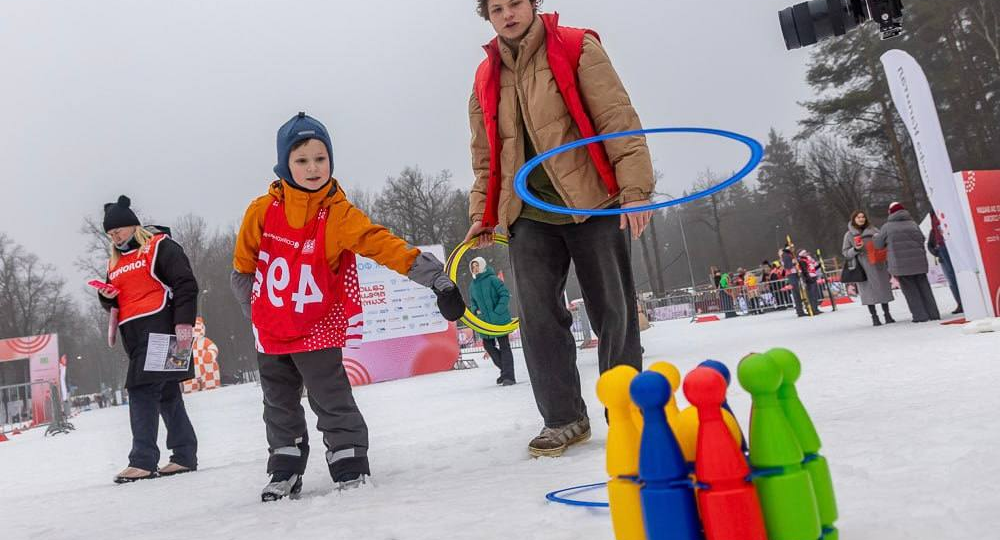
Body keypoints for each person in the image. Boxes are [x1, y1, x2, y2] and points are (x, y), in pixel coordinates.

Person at [230, 112, 465, 501]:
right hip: (271, 330)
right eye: (301, 160)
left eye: (320, 159)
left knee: (330, 396)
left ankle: (349, 460)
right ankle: (285, 466)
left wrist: (434, 277)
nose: (312, 168)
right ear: (284, 164)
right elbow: (242, 268)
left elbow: (383, 244)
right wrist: (254, 314)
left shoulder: (338, 214)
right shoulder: (261, 210)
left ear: (331, 162)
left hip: (317, 326)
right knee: (278, 402)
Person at [464, 0, 654, 457]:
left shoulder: (575, 47)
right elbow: (485, 157)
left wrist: (635, 190)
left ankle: (625, 410)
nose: (507, 14)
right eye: (496, 9)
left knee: (614, 311)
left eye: (514, 4)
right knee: (538, 320)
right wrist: (482, 214)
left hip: (593, 203)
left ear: (533, 4)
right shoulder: (486, 77)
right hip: (529, 216)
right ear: (487, 16)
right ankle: (563, 419)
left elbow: (617, 119)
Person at [97, 195, 199, 484]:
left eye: (118, 229)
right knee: (166, 393)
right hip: (135, 335)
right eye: (110, 232)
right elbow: (118, 300)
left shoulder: (160, 246)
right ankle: (184, 454)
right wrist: (106, 298)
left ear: (133, 226)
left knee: (141, 390)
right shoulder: (114, 262)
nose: (114, 235)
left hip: (163, 328)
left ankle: (142, 460)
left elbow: (186, 284)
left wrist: (184, 324)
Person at [874, 202, 941, 322]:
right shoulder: (913, 224)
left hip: (901, 265)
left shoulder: (887, 227)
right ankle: (933, 314)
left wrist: (876, 237)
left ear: (890, 212)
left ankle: (920, 316)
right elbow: (922, 238)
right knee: (925, 288)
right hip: (919, 263)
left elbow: (878, 245)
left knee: (910, 291)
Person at [468, 256, 516, 385]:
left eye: (477, 266)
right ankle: (506, 371)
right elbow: (472, 302)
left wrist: (497, 312)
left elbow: (505, 295)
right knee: (488, 346)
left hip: (499, 320)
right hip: (484, 323)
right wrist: (475, 310)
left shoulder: (493, 279)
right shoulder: (472, 285)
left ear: (483, 265)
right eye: (473, 267)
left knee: (504, 346)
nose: (475, 269)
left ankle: (509, 377)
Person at [842, 210, 895, 326]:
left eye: (863, 217)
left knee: (882, 289)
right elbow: (845, 253)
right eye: (858, 217)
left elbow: (884, 244)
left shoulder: (874, 230)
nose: (861, 219)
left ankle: (887, 314)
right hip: (863, 267)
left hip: (878, 264)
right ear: (853, 220)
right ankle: (874, 317)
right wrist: (855, 249)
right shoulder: (849, 235)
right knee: (868, 293)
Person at [927, 211, 963, 314]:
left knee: (952, 276)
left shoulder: (937, 209)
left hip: (945, 244)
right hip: (943, 245)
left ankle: (961, 302)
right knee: (951, 277)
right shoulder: (934, 212)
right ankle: (960, 302)